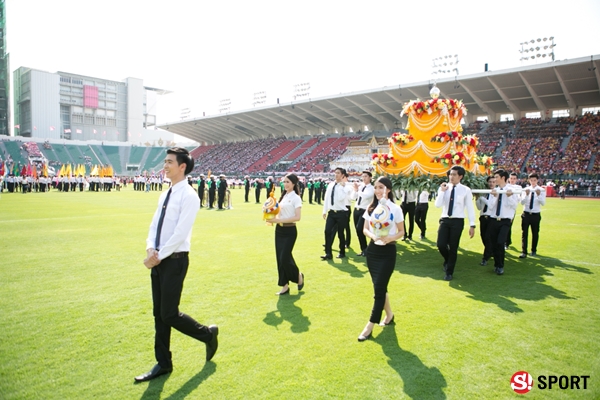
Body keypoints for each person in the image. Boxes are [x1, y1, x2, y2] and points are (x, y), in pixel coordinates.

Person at [135, 147, 218, 383]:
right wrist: (150, 248)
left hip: (175, 260)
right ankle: (163, 363)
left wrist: (158, 255)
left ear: (182, 166)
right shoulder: (166, 193)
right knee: (158, 314)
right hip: (159, 258)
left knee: (169, 313)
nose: (165, 165)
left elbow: (181, 233)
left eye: (170, 162)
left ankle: (207, 334)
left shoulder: (189, 195)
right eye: (165, 161)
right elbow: (154, 225)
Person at [357, 176, 404, 341]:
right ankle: (389, 314)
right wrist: (373, 236)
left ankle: (370, 325)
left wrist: (388, 239)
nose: (377, 190)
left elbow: (401, 231)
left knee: (378, 289)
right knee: (380, 287)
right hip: (373, 252)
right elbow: (364, 229)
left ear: (388, 190)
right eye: (376, 187)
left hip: (387, 252)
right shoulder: (371, 208)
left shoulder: (395, 209)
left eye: (381, 187)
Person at [435, 166, 476, 281]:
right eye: (450, 174)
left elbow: (470, 207)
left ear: (460, 176)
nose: (451, 177)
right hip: (445, 219)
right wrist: (442, 192)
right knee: (441, 244)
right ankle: (448, 260)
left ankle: (449, 272)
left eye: (454, 175)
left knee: (453, 247)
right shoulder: (444, 188)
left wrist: (472, 225)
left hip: (457, 221)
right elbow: (437, 205)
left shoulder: (466, 190)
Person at [266, 173, 305, 295]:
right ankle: (284, 285)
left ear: (293, 183)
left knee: (285, 257)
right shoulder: (283, 196)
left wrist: (278, 220)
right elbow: (279, 212)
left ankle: (298, 276)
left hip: (290, 231)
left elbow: (297, 217)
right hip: (279, 230)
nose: (285, 184)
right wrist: (271, 216)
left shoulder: (296, 198)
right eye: (284, 182)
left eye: (288, 182)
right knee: (280, 258)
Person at [321, 168, 352, 260]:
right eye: (335, 173)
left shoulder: (345, 187)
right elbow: (326, 198)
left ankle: (342, 251)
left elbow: (341, 198)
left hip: (341, 213)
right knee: (327, 231)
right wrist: (324, 211)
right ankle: (328, 253)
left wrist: (342, 187)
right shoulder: (330, 185)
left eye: (338, 173)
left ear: (343, 175)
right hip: (332, 212)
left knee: (340, 233)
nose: (336, 174)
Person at [519, 173, 546, 258]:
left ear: (537, 180)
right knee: (524, 233)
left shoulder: (541, 190)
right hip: (526, 214)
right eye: (531, 180)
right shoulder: (526, 189)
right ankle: (524, 252)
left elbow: (543, 203)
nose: (533, 182)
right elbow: (522, 202)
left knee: (535, 233)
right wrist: (526, 195)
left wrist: (538, 195)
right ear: (529, 180)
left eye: (534, 180)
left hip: (535, 214)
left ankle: (533, 250)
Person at [352, 171, 374, 256]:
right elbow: (353, 197)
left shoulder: (371, 188)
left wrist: (358, 190)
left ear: (370, 178)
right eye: (363, 176)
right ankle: (363, 249)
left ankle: (366, 249)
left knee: (360, 228)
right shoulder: (361, 187)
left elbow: (367, 196)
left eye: (366, 176)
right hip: (356, 209)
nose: (364, 178)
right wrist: (355, 190)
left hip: (364, 210)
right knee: (358, 231)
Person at [475, 176, 495, 266]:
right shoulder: (484, 193)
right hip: (483, 217)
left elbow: (491, 205)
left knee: (488, 237)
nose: (491, 183)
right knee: (483, 236)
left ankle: (485, 258)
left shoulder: (496, 193)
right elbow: (479, 208)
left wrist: (481, 197)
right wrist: (477, 199)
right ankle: (491, 251)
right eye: (490, 182)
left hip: (491, 218)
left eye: (493, 182)